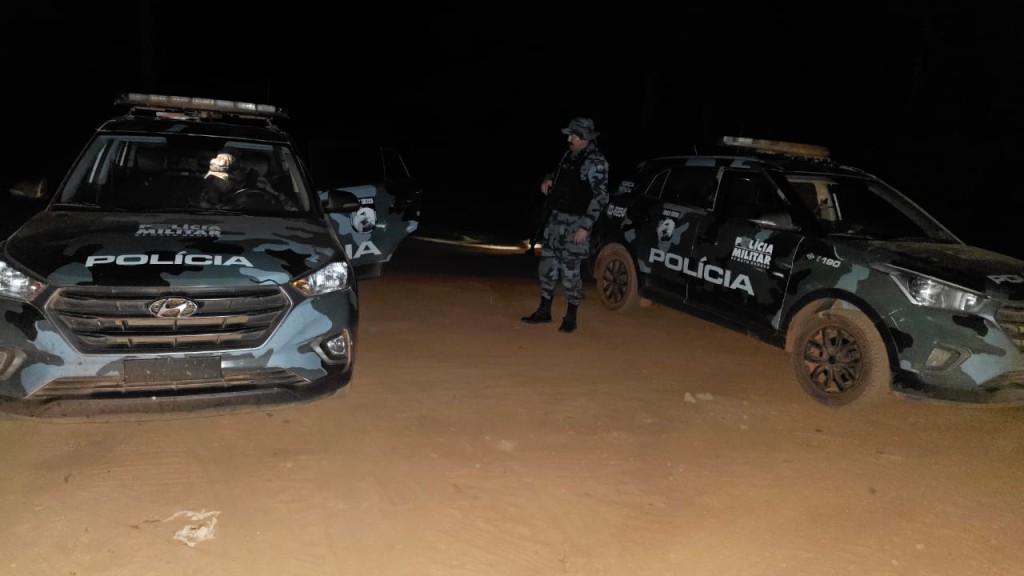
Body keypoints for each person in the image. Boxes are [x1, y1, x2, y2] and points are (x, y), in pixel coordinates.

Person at [521, 117, 610, 333]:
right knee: (547, 268)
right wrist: (548, 179)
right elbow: (559, 174)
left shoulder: (596, 162)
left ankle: (571, 316)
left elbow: (601, 197)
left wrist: (585, 226)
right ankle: (544, 310)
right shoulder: (570, 155)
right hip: (556, 221)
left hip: (576, 225)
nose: (569, 139)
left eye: (573, 135)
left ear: (583, 137)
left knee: (570, 273)